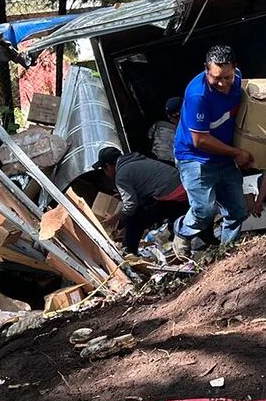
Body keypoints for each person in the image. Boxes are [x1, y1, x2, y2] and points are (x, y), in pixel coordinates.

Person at [171, 45, 254, 257]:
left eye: (227, 77)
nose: (223, 83)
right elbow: (200, 140)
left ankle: (227, 253)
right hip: (195, 157)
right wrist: (236, 153)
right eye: (216, 77)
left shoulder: (238, 81)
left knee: (237, 210)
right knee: (204, 211)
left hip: (224, 154)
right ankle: (182, 232)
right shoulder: (197, 95)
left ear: (235, 69)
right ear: (207, 71)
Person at [97, 147, 188, 255]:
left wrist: (115, 218)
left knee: (134, 218)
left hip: (175, 198)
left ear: (108, 166)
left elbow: (130, 206)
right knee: (143, 207)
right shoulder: (136, 160)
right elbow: (145, 185)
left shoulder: (121, 175)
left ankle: (128, 253)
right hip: (185, 188)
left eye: (104, 169)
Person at [147, 97, 181, 163]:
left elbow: (149, 137)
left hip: (157, 157)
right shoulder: (184, 129)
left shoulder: (158, 125)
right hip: (171, 160)